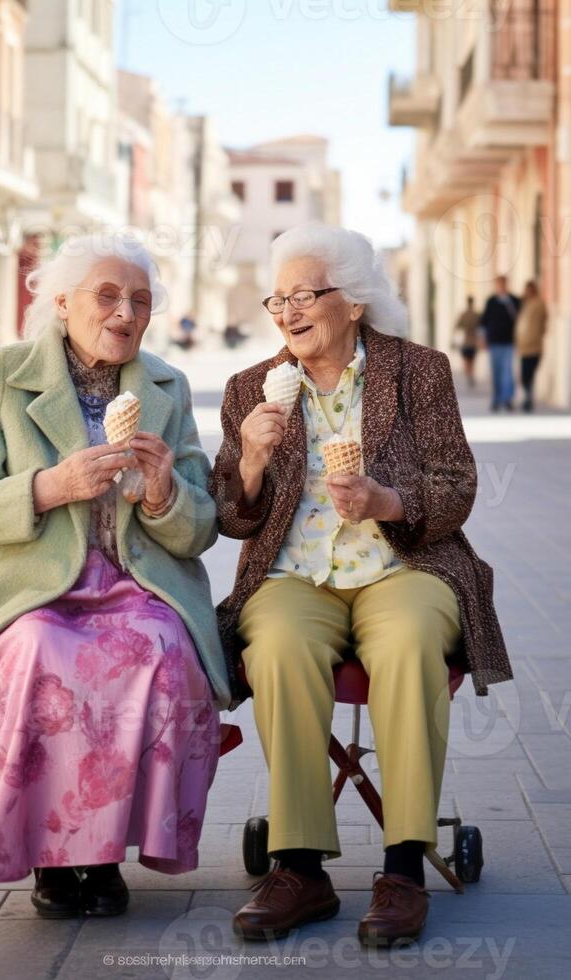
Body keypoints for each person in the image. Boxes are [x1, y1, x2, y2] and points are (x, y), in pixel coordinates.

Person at [208, 222, 512, 947]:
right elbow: (231, 513)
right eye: (277, 298)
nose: (288, 311)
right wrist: (250, 460)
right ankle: (299, 866)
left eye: (305, 294)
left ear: (356, 300)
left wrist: (388, 502)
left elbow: (456, 483)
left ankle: (404, 868)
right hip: (293, 573)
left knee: (408, 641)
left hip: (404, 566)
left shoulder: (419, 372)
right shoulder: (249, 387)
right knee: (276, 641)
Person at [0, 232, 231, 920]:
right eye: (108, 295)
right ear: (62, 302)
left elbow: (200, 524)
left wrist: (161, 495)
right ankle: (52, 861)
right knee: (38, 652)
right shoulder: (0, 375)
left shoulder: (166, 387)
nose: (125, 312)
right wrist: (48, 485)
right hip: (34, 587)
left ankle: (101, 855)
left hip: (132, 581)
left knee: (162, 653)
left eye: (141, 301)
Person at [479, 274, 520, 412]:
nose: (501, 287)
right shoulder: (491, 301)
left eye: (503, 284)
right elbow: (484, 322)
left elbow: (519, 319)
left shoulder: (514, 300)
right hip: (494, 342)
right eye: (498, 284)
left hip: (509, 341)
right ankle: (496, 399)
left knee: (508, 372)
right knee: (496, 372)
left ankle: (507, 399)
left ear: (506, 284)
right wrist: (482, 339)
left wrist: (509, 305)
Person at [515, 280, 547, 412]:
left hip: (534, 346)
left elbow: (543, 323)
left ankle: (528, 398)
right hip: (524, 347)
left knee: (529, 373)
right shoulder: (525, 304)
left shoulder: (539, 304)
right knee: (524, 374)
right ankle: (527, 397)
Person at [454, 295, 480, 388]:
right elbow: (480, 327)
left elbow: (457, 326)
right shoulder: (476, 315)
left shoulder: (463, 314)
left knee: (466, 360)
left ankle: (468, 374)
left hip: (466, 341)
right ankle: (471, 374)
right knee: (472, 360)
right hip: (473, 341)